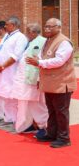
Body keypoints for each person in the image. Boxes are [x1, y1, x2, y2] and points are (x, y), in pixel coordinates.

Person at [27, 18, 77, 148]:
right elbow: (43, 57)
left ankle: (64, 138)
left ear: (59, 27)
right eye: (46, 26)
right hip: (49, 83)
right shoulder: (48, 40)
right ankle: (52, 133)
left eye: (51, 27)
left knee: (61, 112)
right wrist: (38, 60)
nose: (47, 29)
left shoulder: (64, 42)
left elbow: (59, 61)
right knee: (52, 111)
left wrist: (39, 63)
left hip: (61, 83)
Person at [0, 16, 28, 125]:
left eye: (7, 24)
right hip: (0, 70)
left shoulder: (20, 37)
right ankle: (8, 118)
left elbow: (16, 56)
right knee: (3, 95)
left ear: (13, 25)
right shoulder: (6, 36)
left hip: (10, 71)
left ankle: (14, 119)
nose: (5, 26)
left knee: (11, 96)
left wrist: (3, 66)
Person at [10, 23, 48, 135]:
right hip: (25, 79)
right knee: (26, 103)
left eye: (28, 32)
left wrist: (38, 79)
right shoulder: (30, 42)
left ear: (33, 32)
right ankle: (29, 124)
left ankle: (44, 127)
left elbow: (41, 60)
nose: (27, 34)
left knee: (36, 103)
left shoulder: (42, 42)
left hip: (33, 79)